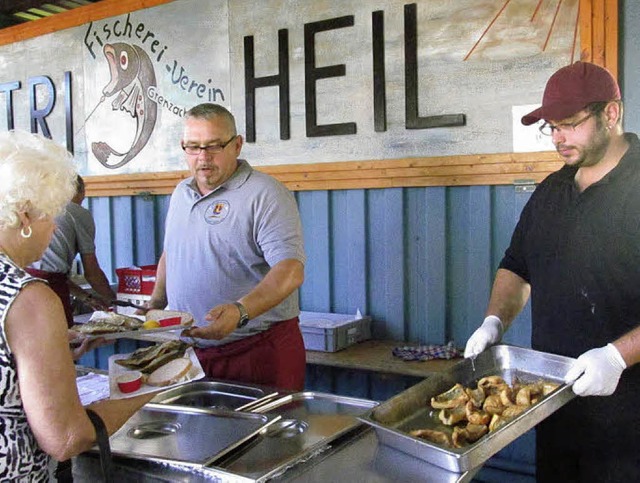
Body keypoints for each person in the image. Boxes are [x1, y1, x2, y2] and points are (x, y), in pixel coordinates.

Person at [464, 61, 640, 482]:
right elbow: (516, 267)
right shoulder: (550, 191)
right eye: (550, 127)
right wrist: (494, 320)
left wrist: (617, 356)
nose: (558, 138)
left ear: (610, 114)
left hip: (629, 422)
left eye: (569, 125)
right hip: (556, 406)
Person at [0, 130, 155, 481]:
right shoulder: (31, 298)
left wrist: (56, 353)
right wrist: (146, 389)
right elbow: (66, 437)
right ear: (24, 216)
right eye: (50, 216)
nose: (54, 227)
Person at [145, 103, 306, 390]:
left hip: (257, 350)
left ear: (237, 145)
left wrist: (239, 311)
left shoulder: (266, 193)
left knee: (265, 435)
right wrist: (154, 304)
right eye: (193, 147)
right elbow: (172, 252)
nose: (203, 157)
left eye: (214, 146)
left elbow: (290, 270)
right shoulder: (182, 192)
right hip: (192, 353)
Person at [26, 175, 115, 327]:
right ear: (81, 192)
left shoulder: (35, 209)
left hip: (22, 289)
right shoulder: (78, 213)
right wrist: (114, 303)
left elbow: (50, 270)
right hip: (50, 293)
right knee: (60, 342)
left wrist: (87, 297)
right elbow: (92, 273)